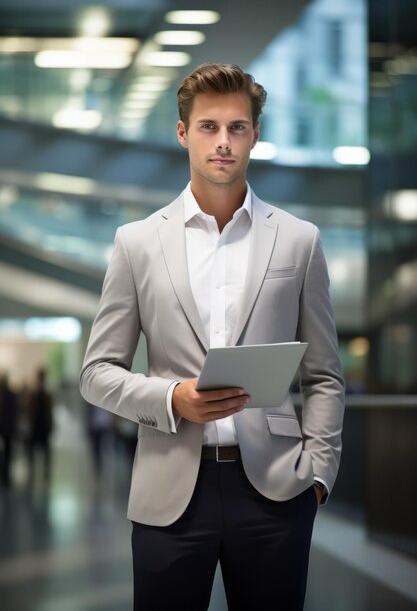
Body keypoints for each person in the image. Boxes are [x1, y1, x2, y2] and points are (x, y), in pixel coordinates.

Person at [80, 63, 345, 611]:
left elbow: (323, 375)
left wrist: (317, 473)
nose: (223, 142)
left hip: (276, 491)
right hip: (169, 492)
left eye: (238, 127)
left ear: (254, 134)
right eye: (208, 127)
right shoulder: (137, 243)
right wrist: (170, 398)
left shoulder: (299, 241)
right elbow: (96, 373)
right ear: (183, 133)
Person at [0, 373, 18, 486]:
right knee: (7, 452)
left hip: (6, 428)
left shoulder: (9, 395)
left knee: (7, 452)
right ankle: (5, 474)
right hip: (7, 427)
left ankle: (5, 474)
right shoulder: (10, 395)